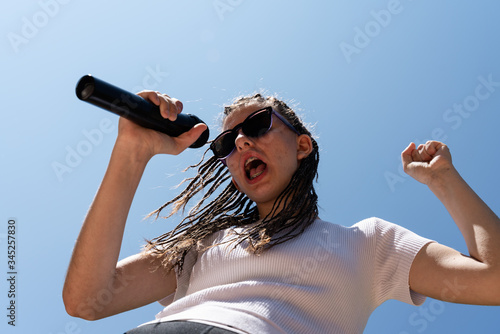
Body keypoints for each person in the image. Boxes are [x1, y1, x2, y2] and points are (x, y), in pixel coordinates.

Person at [62, 91, 500, 334]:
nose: (240, 144)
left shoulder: (369, 243)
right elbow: (86, 300)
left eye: (256, 127)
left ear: (303, 145)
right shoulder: (200, 247)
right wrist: (131, 153)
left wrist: (443, 179)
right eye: (225, 144)